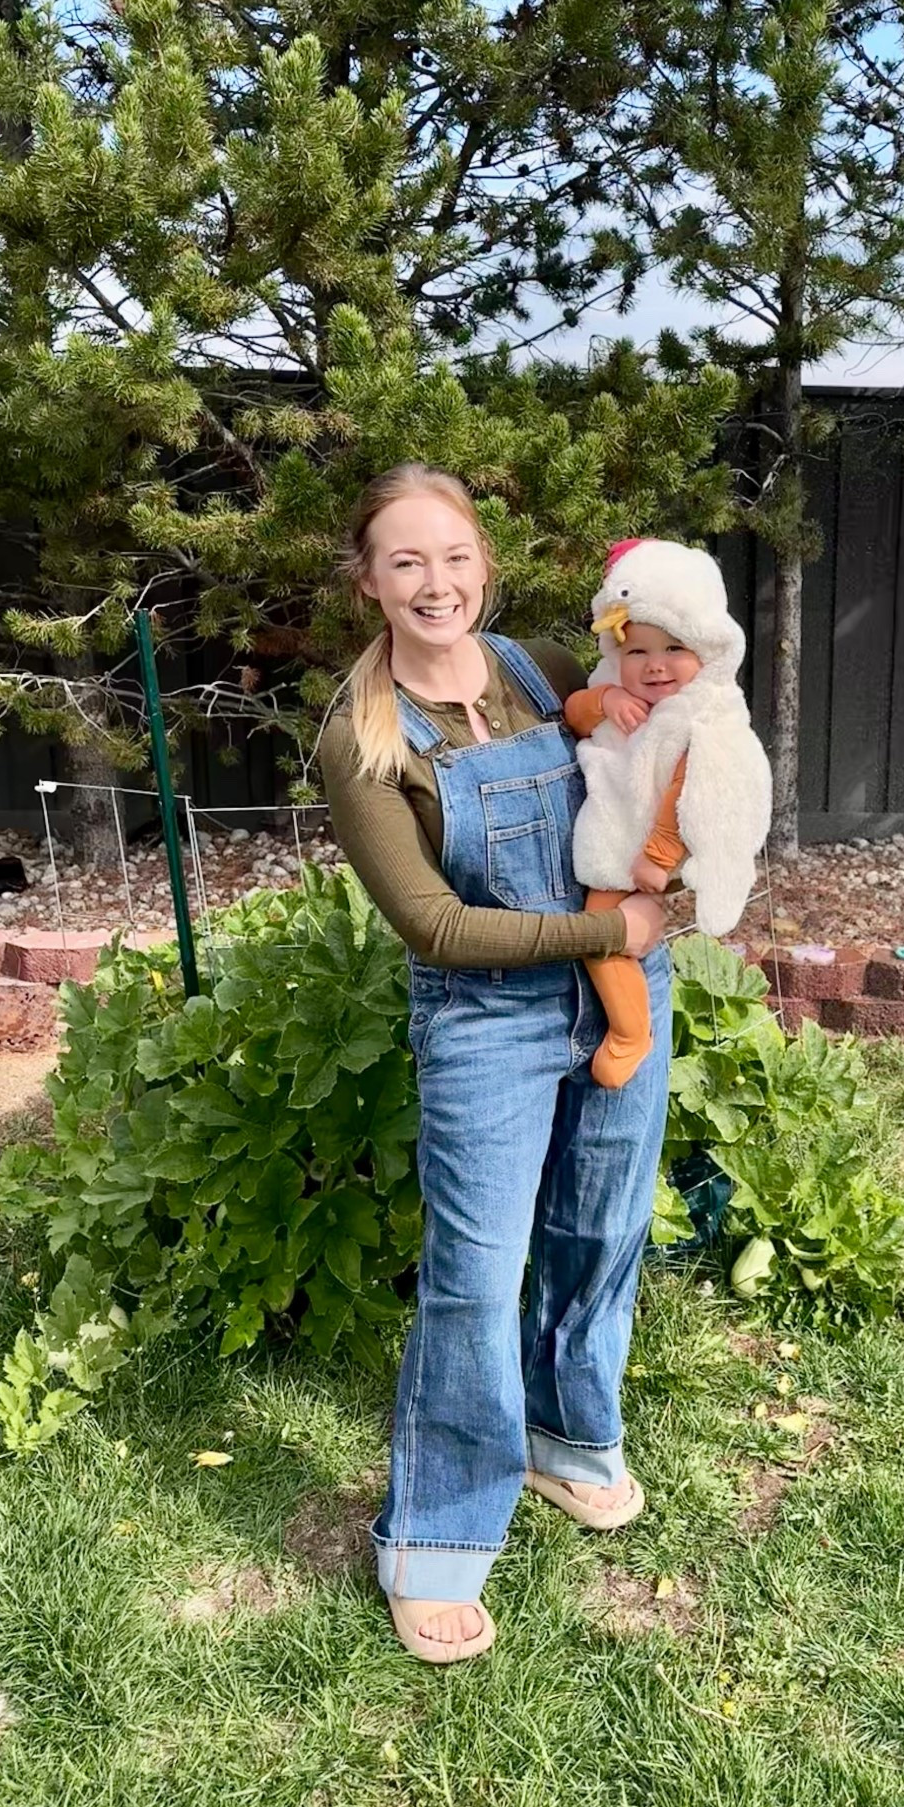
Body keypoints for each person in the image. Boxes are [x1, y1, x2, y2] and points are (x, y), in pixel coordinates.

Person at [319, 464, 671, 1666]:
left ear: (485, 565)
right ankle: (435, 1534)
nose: (437, 582)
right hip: (489, 1018)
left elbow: (640, 774)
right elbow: (437, 926)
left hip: (626, 990)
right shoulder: (360, 739)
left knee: (601, 1228)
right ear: (369, 580)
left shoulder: (540, 671)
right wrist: (604, 931)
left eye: (455, 556)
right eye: (407, 561)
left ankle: (569, 1437)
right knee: (477, 1273)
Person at [564, 538, 773, 1087]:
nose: (655, 667)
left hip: (656, 847)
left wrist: (660, 855)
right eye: (637, 653)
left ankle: (633, 1033)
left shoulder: (703, 713)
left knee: (606, 929)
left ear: (706, 650)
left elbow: (697, 787)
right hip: (614, 832)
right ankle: (631, 1026)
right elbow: (576, 715)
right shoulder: (614, 688)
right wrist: (605, 702)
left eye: (674, 649)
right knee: (601, 932)